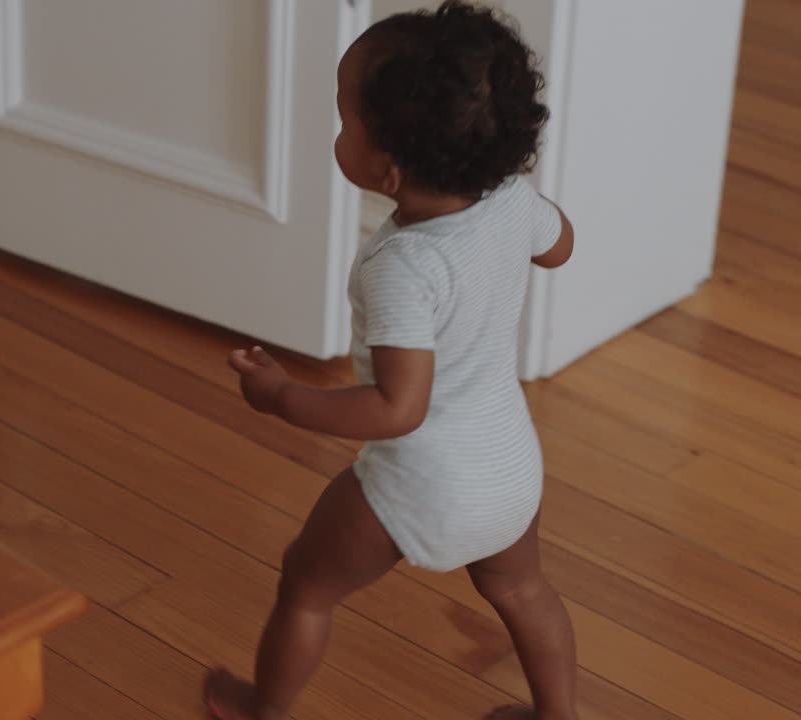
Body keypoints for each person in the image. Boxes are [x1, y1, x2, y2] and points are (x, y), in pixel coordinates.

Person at [205, 2, 577, 719]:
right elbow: (559, 246)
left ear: (389, 169)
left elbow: (397, 409)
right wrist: (516, 215)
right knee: (524, 590)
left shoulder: (405, 266)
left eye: (345, 120)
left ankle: (264, 711)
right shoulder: (510, 198)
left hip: (422, 483)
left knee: (305, 586)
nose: (338, 131)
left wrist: (281, 396)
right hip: (509, 467)